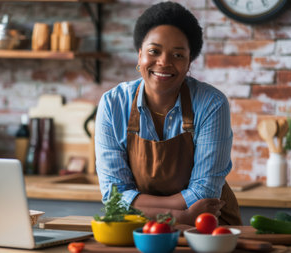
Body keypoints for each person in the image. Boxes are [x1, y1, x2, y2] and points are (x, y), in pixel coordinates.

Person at [95, 2, 242, 225]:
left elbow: (204, 193)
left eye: (178, 55)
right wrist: (178, 215)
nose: (164, 62)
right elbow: (114, 197)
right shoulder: (113, 104)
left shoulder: (211, 104)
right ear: (139, 55)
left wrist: (140, 205)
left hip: (209, 226)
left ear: (189, 62)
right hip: (147, 229)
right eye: (154, 51)